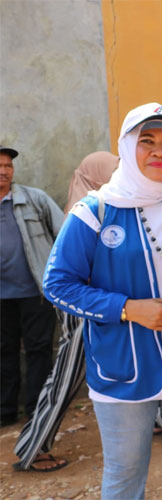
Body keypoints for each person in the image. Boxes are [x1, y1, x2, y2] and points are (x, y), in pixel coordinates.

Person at [42, 103, 162, 499]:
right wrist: (127, 308)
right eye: (147, 141)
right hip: (124, 363)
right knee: (125, 471)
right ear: (126, 147)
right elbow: (57, 284)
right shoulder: (95, 211)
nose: (159, 151)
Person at [13, 151, 118, 472]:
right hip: (82, 306)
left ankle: (157, 421)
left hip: (109, 303)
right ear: (96, 175)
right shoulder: (85, 211)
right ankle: (33, 446)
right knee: (67, 376)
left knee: (131, 356)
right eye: (112, 170)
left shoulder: (115, 205)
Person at [0, 145, 64, 472]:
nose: (4, 171)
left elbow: (63, 234)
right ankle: (5, 412)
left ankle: (36, 412)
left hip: (35, 292)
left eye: (8, 166)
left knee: (39, 351)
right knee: (4, 351)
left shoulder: (33, 199)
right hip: (1, 298)